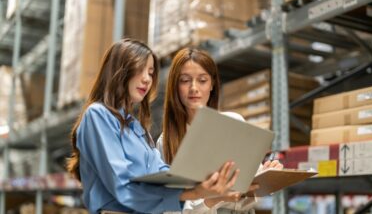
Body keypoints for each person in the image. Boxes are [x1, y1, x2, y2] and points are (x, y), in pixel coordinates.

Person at [66, 39, 244, 214]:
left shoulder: (138, 130)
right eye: (139, 69)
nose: (147, 79)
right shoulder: (98, 115)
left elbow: (164, 174)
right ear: (118, 71)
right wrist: (194, 193)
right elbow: (122, 186)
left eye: (150, 73)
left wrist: (210, 180)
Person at [157, 48, 283, 213]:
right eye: (185, 80)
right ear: (175, 86)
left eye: (202, 80)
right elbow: (169, 209)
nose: (194, 88)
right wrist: (214, 199)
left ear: (212, 85)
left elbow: (250, 195)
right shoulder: (166, 142)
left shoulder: (234, 122)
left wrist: (266, 177)